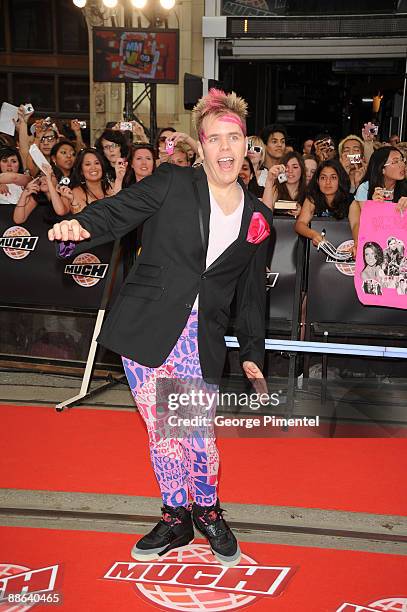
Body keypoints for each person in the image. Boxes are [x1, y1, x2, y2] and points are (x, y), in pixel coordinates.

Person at [48, 88, 272, 568]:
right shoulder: (173, 182)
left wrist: (253, 348)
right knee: (163, 430)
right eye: (216, 139)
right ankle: (177, 515)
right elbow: (119, 210)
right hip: (150, 325)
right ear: (202, 144)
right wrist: (79, 225)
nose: (226, 148)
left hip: (202, 337)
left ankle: (206, 510)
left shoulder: (260, 217)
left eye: (234, 137)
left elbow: (252, 293)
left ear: (246, 143)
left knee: (197, 434)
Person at [348, 147, 407, 256]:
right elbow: (365, 225)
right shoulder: (365, 188)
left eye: (402, 160)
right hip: (376, 245)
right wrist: (373, 207)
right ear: (382, 169)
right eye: (395, 161)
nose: (402, 165)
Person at [294, 159, 351, 246]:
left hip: (345, 246)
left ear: (340, 180)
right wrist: (313, 234)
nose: (328, 182)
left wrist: (357, 244)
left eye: (333, 177)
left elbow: (356, 225)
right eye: (323, 178)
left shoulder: (350, 199)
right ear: (317, 181)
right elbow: (300, 224)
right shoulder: (312, 198)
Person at [57, 148, 119, 214]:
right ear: (81, 171)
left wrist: (119, 178)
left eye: (97, 163)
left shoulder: (112, 185)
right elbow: (82, 218)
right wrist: (73, 200)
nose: (93, 167)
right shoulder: (76, 192)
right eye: (88, 164)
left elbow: (121, 208)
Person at [262, 151, 306, 216]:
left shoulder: (308, 193)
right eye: (286, 167)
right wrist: (269, 180)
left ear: (302, 169)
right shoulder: (275, 190)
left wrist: (303, 213)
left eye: (295, 167)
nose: (290, 171)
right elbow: (264, 213)